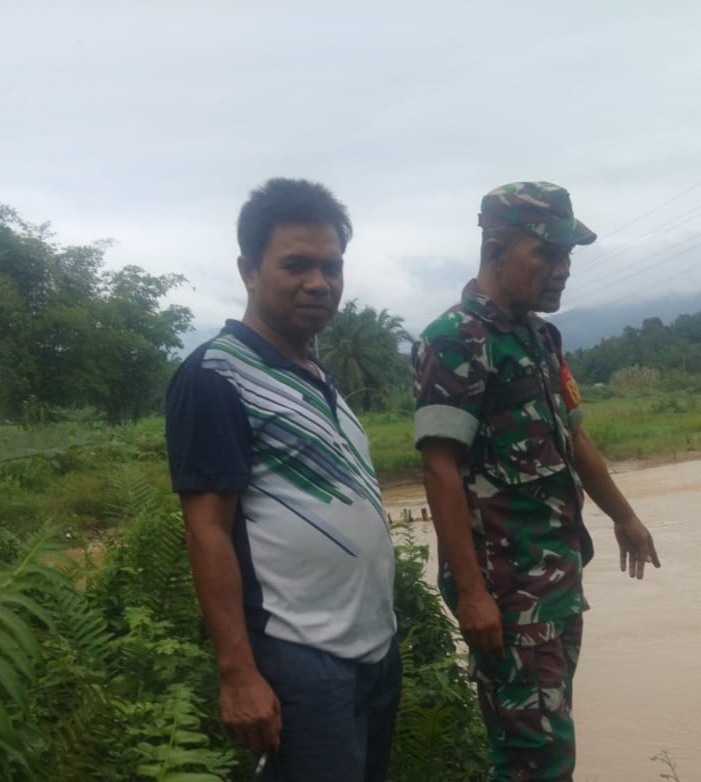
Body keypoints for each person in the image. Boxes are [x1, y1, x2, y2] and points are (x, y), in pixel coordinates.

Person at [411, 181, 660, 781]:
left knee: (549, 742)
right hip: (506, 594)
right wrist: (471, 594)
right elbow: (439, 467)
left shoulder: (540, 338)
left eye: (568, 257)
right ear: (495, 250)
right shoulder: (454, 341)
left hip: (556, 577)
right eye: (545, 255)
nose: (561, 271)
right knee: (534, 760)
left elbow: (575, 438)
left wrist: (624, 517)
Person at [165, 178, 399, 782]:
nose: (319, 282)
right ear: (248, 269)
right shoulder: (217, 375)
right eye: (296, 264)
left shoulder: (317, 373)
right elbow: (207, 529)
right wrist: (238, 673)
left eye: (331, 266)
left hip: (373, 651)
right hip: (299, 659)